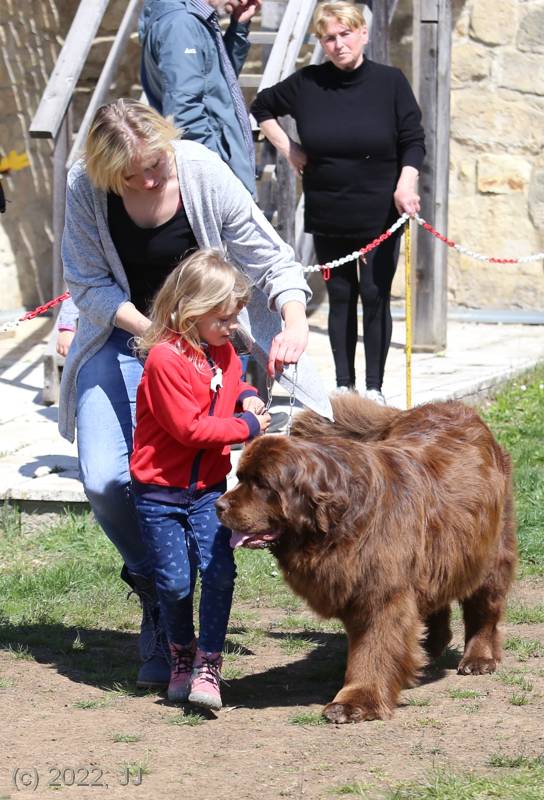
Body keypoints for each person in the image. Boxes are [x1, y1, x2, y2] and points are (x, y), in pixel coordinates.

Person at [58, 98, 328, 691]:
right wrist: (156, 335)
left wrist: (292, 318)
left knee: (201, 472)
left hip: (208, 341)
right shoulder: (84, 186)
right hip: (127, 335)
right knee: (105, 479)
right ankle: (156, 588)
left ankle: (186, 619)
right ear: (105, 171)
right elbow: (86, 282)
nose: (149, 181)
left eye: (155, 166)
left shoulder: (201, 170)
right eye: (132, 176)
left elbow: (270, 256)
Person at [251, 1, 425, 404]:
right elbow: (262, 106)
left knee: (375, 295)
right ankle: (344, 385)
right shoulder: (308, 83)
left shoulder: (390, 82)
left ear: (362, 33)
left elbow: (413, 140)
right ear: (322, 42)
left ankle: (374, 388)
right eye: (329, 38)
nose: (338, 44)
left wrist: (406, 183)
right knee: (341, 297)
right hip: (329, 209)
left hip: (381, 211)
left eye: (346, 34)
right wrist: (289, 149)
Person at [130, 250, 270, 710]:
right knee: (174, 583)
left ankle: (209, 662)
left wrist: (246, 397)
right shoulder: (164, 360)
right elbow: (189, 429)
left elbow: (231, 382)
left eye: (234, 317)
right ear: (189, 310)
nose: (231, 327)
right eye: (223, 318)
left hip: (208, 491)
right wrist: (247, 427)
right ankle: (181, 654)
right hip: (160, 494)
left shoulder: (224, 352)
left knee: (219, 571)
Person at [139, 0, 261, 195]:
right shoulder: (182, 25)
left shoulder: (189, 19)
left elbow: (217, 82)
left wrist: (238, 28)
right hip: (213, 181)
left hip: (213, 173)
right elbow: (184, 113)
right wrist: (217, 179)